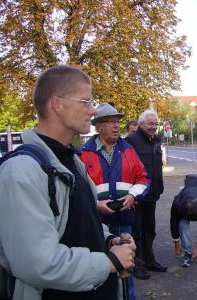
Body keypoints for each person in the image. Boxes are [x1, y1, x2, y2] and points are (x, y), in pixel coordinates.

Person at [0, 65, 136, 300]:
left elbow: (79, 222)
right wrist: (109, 261)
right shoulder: (21, 171)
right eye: (86, 102)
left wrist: (109, 239)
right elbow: (36, 262)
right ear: (57, 104)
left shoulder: (71, 160)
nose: (93, 111)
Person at [80, 103, 149, 299]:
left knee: (126, 270)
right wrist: (95, 205)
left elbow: (144, 179)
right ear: (98, 126)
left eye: (117, 122)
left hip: (124, 221)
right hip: (96, 223)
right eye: (110, 122)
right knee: (101, 269)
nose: (117, 126)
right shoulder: (83, 153)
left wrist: (132, 196)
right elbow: (78, 190)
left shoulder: (128, 150)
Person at [126, 110, 167, 280]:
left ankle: (150, 261)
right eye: (150, 123)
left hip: (152, 193)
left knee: (150, 230)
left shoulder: (156, 141)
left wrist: (159, 185)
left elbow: (158, 167)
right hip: (137, 194)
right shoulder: (131, 141)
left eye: (156, 124)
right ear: (141, 124)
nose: (154, 127)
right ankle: (137, 265)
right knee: (137, 231)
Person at [170, 175, 197, 267]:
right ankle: (187, 252)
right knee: (182, 226)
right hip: (183, 211)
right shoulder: (177, 203)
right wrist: (176, 243)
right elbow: (173, 223)